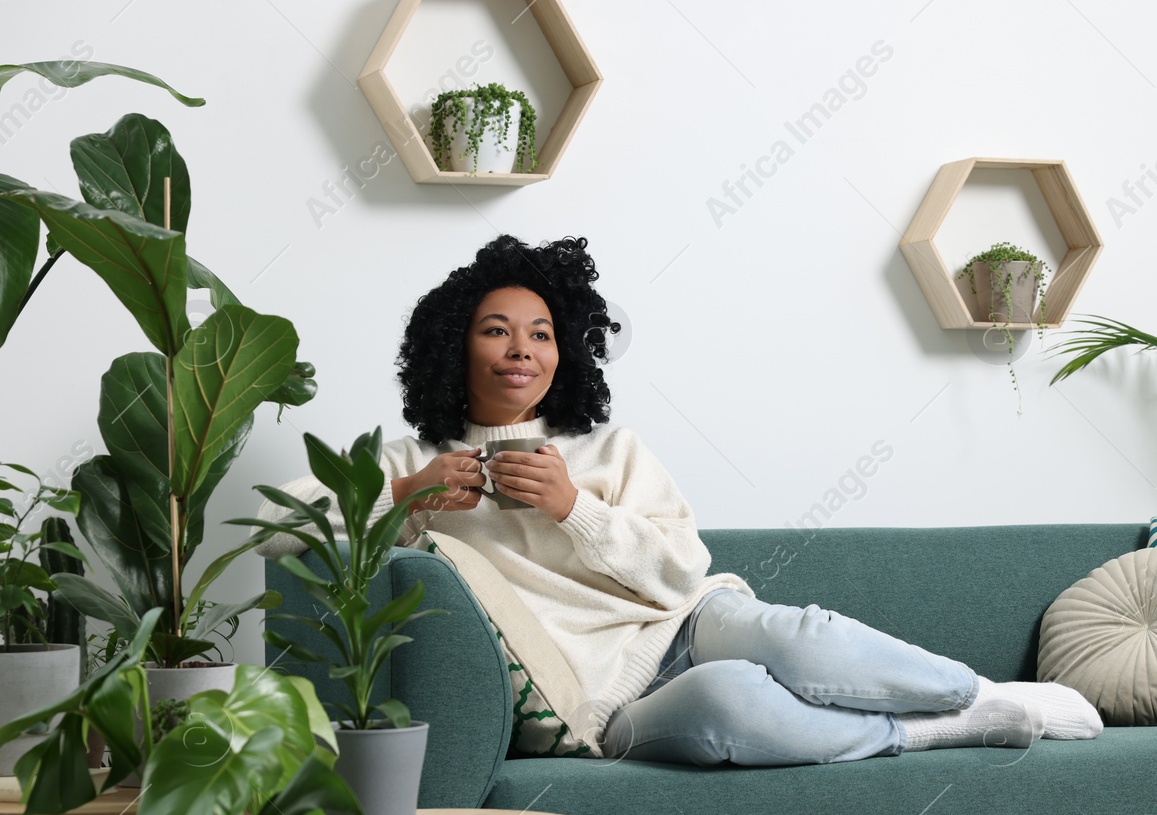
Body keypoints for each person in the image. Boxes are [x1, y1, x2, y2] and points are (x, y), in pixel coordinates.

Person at [257, 235, 1102, 766]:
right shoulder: (407, 463)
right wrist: (402, 492)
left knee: (789, 633)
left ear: (568, 353)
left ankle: (977, 690)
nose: (522, 349)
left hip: (682, 623)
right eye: (496, 329)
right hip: (605, 702)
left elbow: (683, 570)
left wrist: (573, 509)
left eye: (542, 333)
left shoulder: (608, 449)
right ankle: (930, 728)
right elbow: (271, 531)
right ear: (454, 346)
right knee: (733, 705)